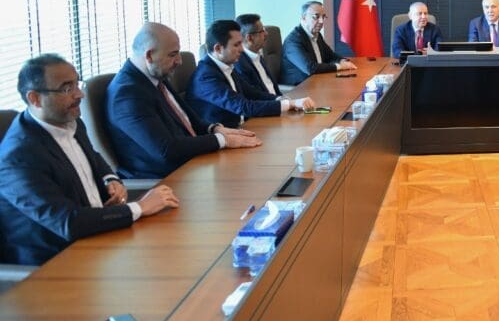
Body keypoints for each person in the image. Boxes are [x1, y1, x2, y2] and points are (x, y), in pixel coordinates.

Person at [0, 55, 179, 265]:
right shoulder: (18, 158)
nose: (80, 94)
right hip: (57, 263)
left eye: (77, 83)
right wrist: (139, 207)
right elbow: (68, 222)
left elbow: (93, 157)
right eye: (67, 89)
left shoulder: (69, 121)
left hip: (101, 238)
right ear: (35, 98)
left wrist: (110, 179)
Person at [107, 22, 262, 179]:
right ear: (149, 56)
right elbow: (167, 150)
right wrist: (223, 140)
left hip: (194, 164)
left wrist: (215, 129)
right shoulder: (127, 95)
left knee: (255, 164)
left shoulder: (156, 77)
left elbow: (190, 121)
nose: (179, 61)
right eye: (172, 54)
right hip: (167, 179)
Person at [187, 20, 316, 128]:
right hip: (226, 135)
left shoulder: (226, 65)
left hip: (244, 127)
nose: (242, 49)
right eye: (237, 45)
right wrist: (290, 104)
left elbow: (254, 93)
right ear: (218, 49)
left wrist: (283, 100)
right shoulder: (205, 77)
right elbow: (243, 106)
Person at [281, 1, 356, 85]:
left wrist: (342, 60)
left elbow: (330, 55)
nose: (321, 21)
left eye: (323, 17)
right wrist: (340, 66)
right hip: (299, 87)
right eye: (316, 17)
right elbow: (310, 68)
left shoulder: (317, 35)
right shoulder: (293, 41)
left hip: (318, 81)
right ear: (304, 18)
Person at [234, 13, 283, 97]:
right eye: (262, 31)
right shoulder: (240, 65)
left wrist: (286, 100)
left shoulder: (258, 55)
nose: (266, 33)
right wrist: (281, 102)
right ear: (250, 38)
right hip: (268, 104)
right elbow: (254, 97)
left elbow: (273, 89)